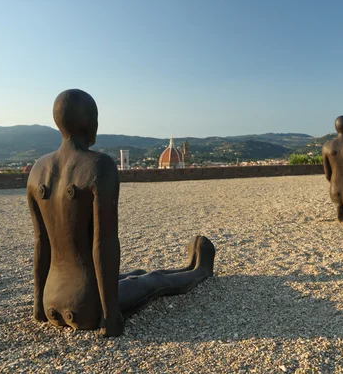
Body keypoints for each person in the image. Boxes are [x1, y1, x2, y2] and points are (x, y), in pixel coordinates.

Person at [27, 89, 215, 337]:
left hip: (52, 300)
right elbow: (103, 244)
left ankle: (184, 265)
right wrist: (109, 315)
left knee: (135, 275)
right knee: (154, 281)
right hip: (86, 305)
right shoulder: (98, 166)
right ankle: (200, 268)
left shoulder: (37, 170)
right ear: (90, 123)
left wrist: (39, 305)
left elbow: (42, 244)